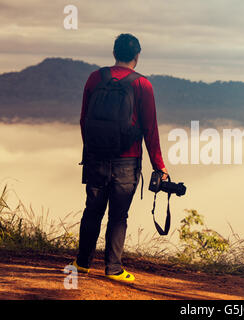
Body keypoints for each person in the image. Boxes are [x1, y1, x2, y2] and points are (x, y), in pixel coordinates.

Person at [73, 33, 168, 282]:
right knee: (118, 215)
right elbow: (150, 129)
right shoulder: (142, 85)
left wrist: (92, 147)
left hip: (95, 157)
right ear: (137, 55)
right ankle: (113, 269)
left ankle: (82, 263)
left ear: (114, 53)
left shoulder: (96, 78)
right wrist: (159, 166)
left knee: (92, 210)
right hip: (127, 161)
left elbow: (84, 119)